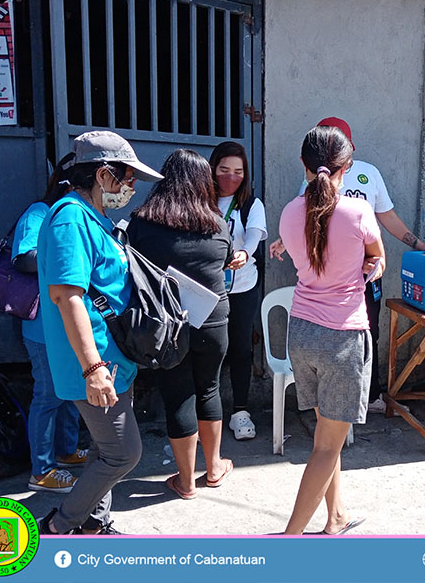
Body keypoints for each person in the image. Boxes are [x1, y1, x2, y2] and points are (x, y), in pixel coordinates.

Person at [270, 116, 425, 414]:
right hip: (338, 301)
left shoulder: (367, 175)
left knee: (372, 332)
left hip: (323, 309)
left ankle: (370, 393)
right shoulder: (327, 195)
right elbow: (309, 224)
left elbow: (386, 218)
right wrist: (285, 241)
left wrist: (419, 245)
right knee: (330, 438)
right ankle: (348, 405)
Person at [36, 131, 163, 534]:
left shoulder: (94, 218)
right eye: (127, 179)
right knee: (123, 453)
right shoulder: (69, 218)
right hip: (93, 364)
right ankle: (61, 523)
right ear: (104, 175)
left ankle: (94, 520)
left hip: (113, 359)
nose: (130, 188)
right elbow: (67, 296)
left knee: (104, 448)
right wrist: (93, 368)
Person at [278, 125, 385, 534]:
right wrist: (373, 266)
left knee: (328, 432)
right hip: (342, 337)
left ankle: (335, 516)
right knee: (327, 446)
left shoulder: (289, 212)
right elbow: (376, 258)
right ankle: (290, 540)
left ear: (304, 166)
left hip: (302, 331)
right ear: (348, 166)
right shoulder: (358, 212)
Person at [127, 149, 234, 499]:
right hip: (213, 321)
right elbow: (226, 259)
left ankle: (186, 481)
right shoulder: (217, 224)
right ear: (204, 182)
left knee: (178, 397)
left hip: (166, 326)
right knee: (209, 389)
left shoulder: (142, 223)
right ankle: (214, 467)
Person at [13, 153, 87, 493]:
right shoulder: (39, 213)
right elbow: (24, 258)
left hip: (69, 325)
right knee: (47, 395)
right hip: (43, 327)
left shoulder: (81, 216)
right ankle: (41, 470)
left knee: (71, 392)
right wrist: (64, 251)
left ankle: (67, 451)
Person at [209, 141, 267, 441]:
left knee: (241, 348)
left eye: (238, 171)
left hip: (243, 287)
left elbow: (255, 235)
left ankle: (240, 411)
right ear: (212, 169)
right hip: (207, 288)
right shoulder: (199, 200)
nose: (231, 177)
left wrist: (244, 253)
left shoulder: (250, 204)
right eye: (224, 170)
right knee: (209, 349)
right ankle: (207, 413)